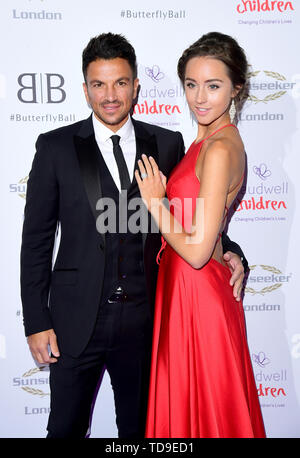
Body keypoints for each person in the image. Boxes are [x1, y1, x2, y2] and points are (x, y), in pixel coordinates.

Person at [20, 32, 248, 438]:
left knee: (143, 434)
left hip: (148, 323)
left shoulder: (166, 143)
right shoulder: (55, 148)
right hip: (75, 323)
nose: (110, 95)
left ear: (136, 85)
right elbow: (36, 240)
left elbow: (192, 210)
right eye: (99, 84)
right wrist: (36, 321)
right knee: (64, 429)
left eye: (120, 82)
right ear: (85, 88)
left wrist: (230, 250)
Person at [136, 32, 266, 438]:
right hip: (184, 292)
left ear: (236, 88)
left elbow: (194, 251)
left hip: (198, 296)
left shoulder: (221, 149)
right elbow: (205, 228)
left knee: (207, 416)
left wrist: (156, 202)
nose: (200, 97)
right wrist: (231, 250)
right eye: (191, 84)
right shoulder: (206, 140)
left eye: (214, 85)